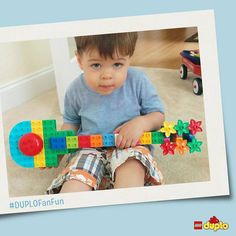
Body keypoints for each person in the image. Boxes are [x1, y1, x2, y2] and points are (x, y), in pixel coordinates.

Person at [47, 32, 165, 194]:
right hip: (89, 149)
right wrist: (58, 150)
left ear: (129, 58)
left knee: (131, 174)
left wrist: (141, 123)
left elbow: (158, 116)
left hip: (130, 147)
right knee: (73, 187)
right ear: (80, 61)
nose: (107, 75)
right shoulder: (75, 89)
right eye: (96, 65)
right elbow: (71, 122)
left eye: (117, 64)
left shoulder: (138, 81)